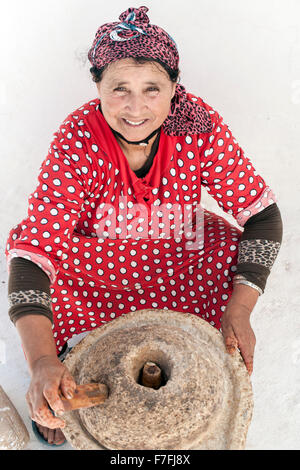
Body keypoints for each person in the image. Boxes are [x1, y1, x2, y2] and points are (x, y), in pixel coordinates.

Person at [5, 6, 283, 446]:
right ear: (97, 86)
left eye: (152, 88)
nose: (137, 108)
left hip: (180, 262)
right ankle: (62, 372)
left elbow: (262, 215)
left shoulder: (197, 126)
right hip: (97, 272)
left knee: (232, 252)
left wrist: (241, 310)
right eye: (119, 89)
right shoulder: (78, 139)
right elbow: (34, 253)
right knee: (35, 254)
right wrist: (41, 361)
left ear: (174, 87)